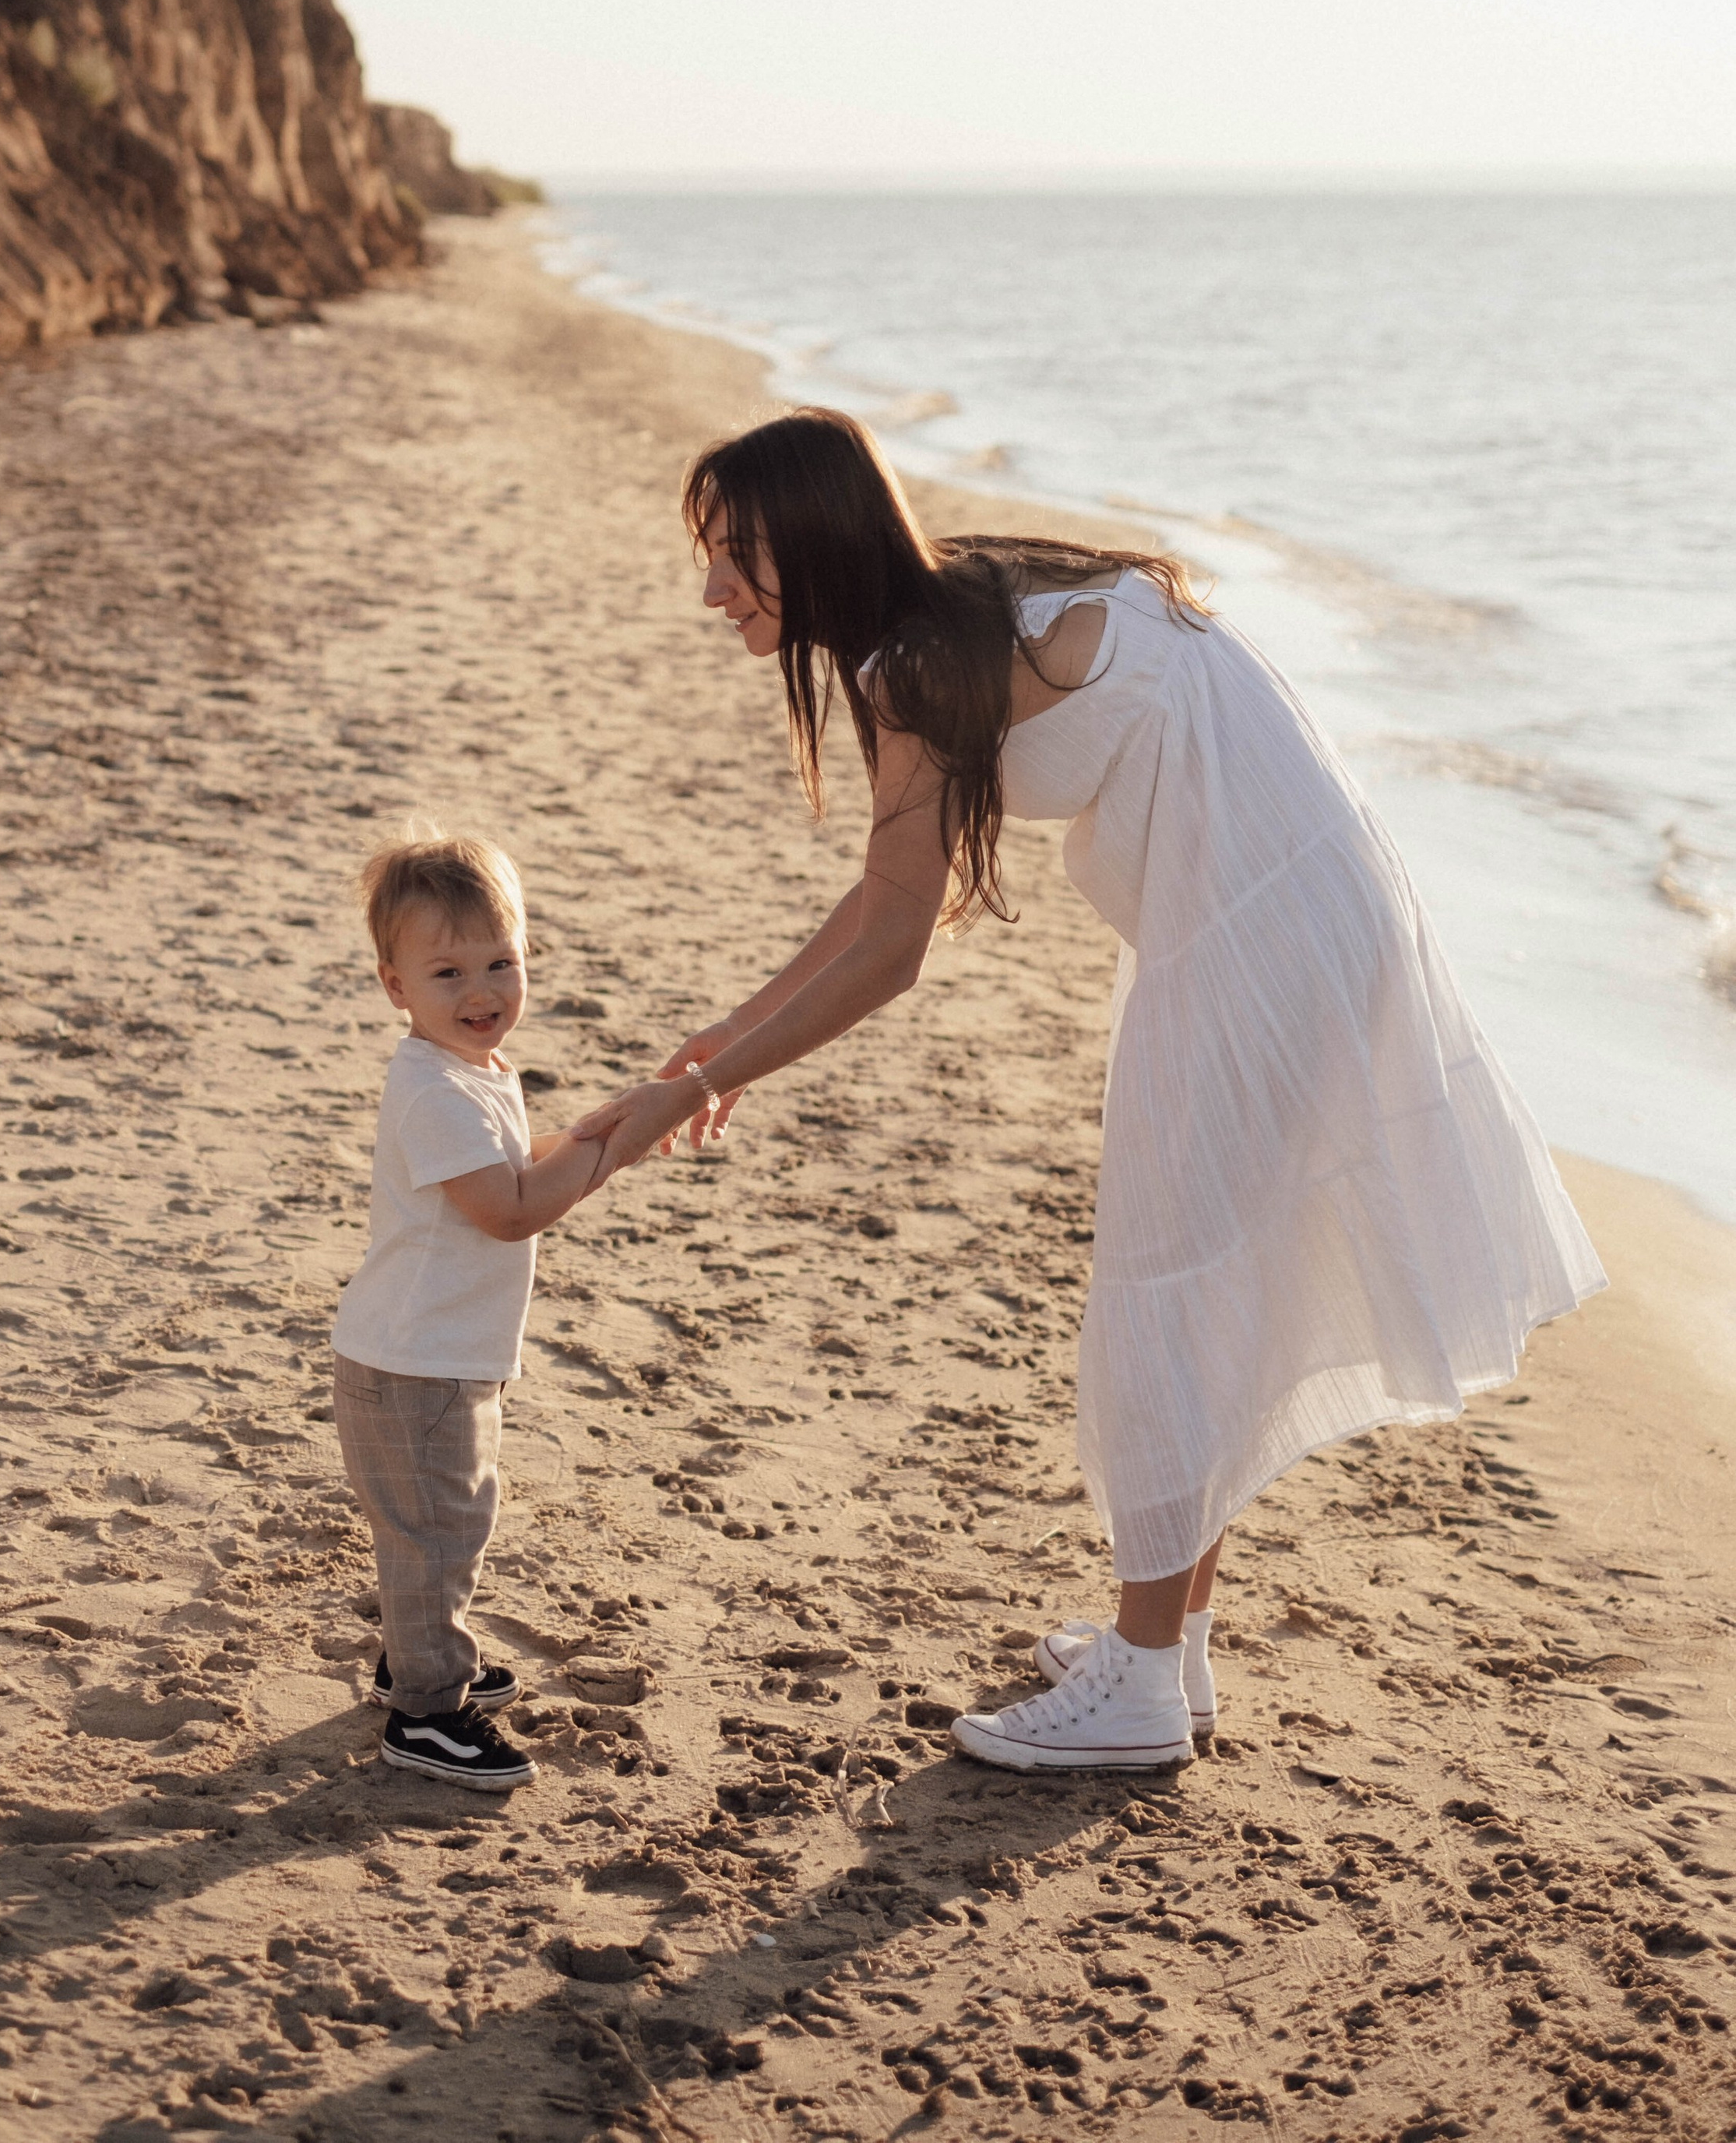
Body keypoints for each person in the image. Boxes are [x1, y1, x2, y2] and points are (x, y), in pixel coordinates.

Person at [574, 409, 1604, 1775]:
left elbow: (891, 948)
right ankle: (1165, 1645)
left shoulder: (917, 661)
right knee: (1201, 1277)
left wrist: (684, 1091)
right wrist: (708, 1052)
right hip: (1296, 914)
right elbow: (892, 902)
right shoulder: (968, 600)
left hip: (1254, 939)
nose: (711, 594)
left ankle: (1135, 1688)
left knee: (1168, 1284)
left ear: (814, 547)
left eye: (735, 561)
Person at [333, 834, 622, 1791]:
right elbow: (507, 1211)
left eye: (502, 962)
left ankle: (413, 1657)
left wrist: (590, 1132)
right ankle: (425, 1713)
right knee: (434, 1533)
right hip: (413, 1364)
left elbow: (511, 1167)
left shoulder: (474, 1073)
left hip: (444, 1354)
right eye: (447, 971)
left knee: (447, 1523)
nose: (481, 990)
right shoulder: (431, 1090)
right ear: (395, 987)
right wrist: (610, 1154)